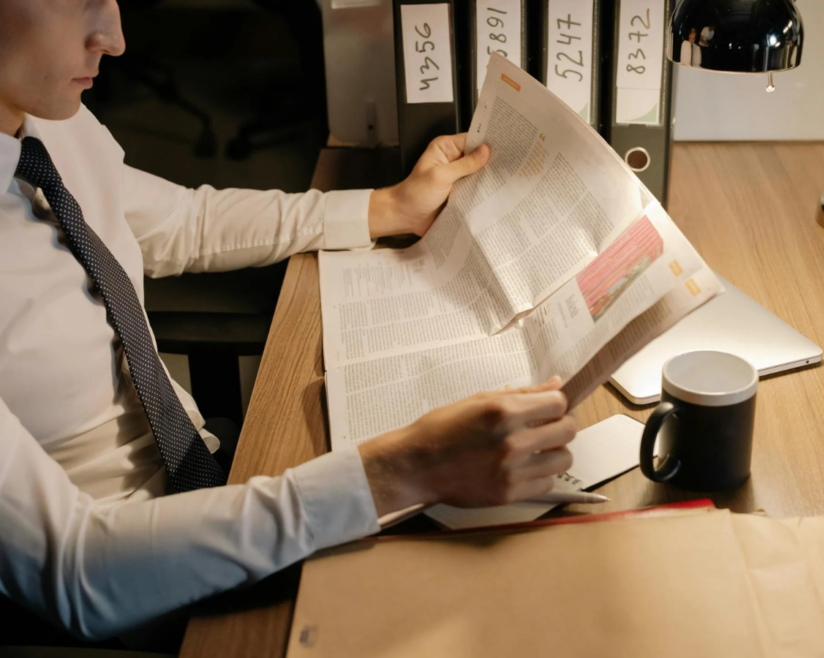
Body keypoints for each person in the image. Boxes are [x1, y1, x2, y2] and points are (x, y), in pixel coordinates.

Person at [0, 0, 577, 642]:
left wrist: (388, 209)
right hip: (136, 574)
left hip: (216, 473)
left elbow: (179, 222)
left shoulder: (44, 117)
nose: (114, 40)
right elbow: (76, 569)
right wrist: (399, 469)